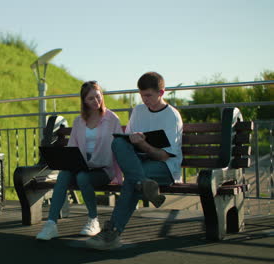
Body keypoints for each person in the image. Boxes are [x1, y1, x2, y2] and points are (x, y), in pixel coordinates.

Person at [86, 72, 183, 250]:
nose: (144, 99)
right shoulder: (138, 111)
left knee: (132, 181)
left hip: (165, 168)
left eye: (149, 95)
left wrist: (144, 145)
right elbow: (127, 142)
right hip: (139, 163)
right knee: (118, 142)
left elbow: (164, 156)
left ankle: (112, 233)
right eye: (141, 95)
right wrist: (130, 140)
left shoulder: (172, 116)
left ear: (161, 93)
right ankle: (145, 183)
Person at [36, 80, 124, 240]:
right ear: (84, 101)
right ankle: (51, 224)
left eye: (98, 96)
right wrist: (71, 163)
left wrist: (120, 176)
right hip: (81, 167)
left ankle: (93, 220)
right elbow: (72, 149)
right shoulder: (79, 121)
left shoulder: (112, 119)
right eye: (91, 98)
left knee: (83, 178)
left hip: (103, 170)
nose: (96, 101)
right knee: (63, 175)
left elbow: (119, 147)